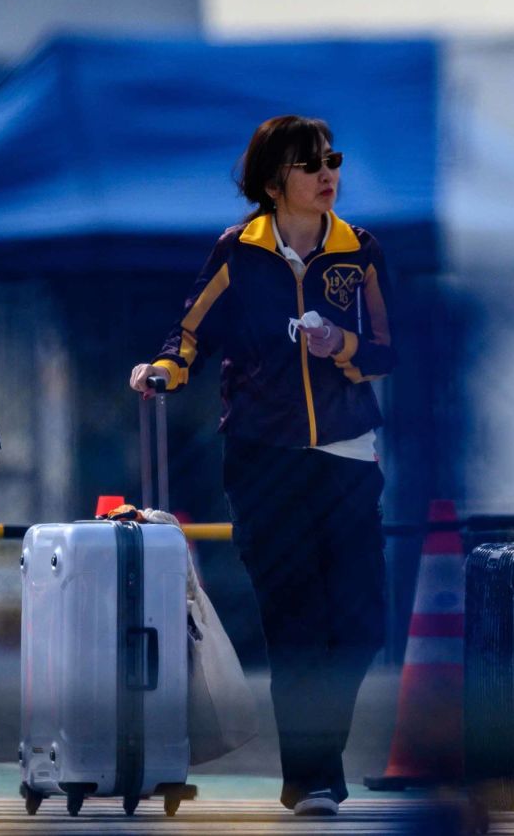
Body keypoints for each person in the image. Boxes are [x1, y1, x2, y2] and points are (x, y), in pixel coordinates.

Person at [129, 115, 394, 817]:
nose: (328, 174)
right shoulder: (237, 251)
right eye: (310, 164)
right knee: (297, 622)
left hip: (348, 457)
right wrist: (162, 370)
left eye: (332, 159)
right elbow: (190, 333)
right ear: (275, 182)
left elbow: (386, 351)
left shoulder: (359, 250)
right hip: (264, 461)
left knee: (364, 624)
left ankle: (318, 756)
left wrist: (340, 344)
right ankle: (310, 774)